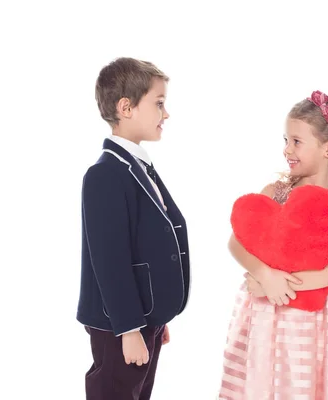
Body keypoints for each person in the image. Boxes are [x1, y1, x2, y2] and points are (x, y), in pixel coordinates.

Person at [219, 91, 328, 399]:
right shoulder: (275, 193)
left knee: (312, 381)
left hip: (320, 313)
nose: (287, 149)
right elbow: (236, 244)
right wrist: (265, 276)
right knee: (267, 379)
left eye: (297, 141)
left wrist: (281, 288)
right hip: (268, 312)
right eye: (285, 140)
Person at [77, 57, 191, 400]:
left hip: (143, 317)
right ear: (126, 107)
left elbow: (148, 246)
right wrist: (128, 328)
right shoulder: (105, 174)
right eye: (158, 103)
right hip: (119, 322)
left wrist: (158, 316)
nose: (166, 113)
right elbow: (110, 260)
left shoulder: (137, 166)